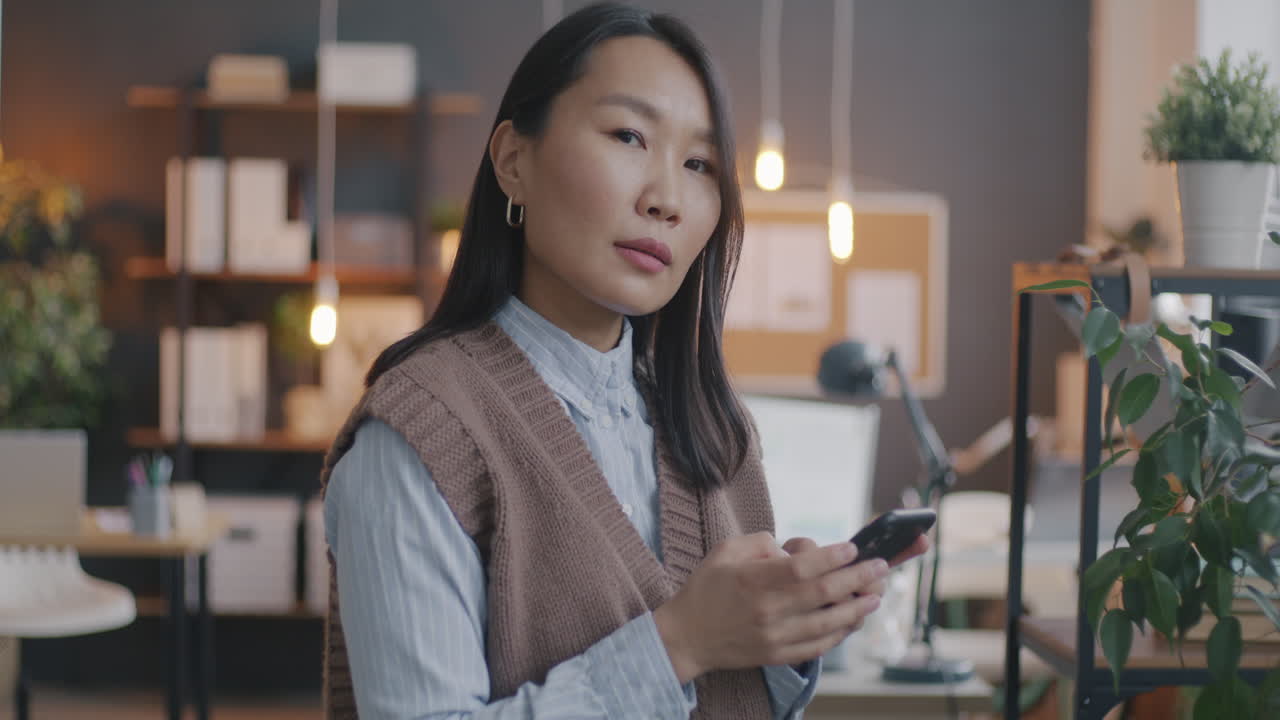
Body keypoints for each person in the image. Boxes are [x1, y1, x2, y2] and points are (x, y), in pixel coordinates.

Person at [321, 3, 928, 719]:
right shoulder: (422, 437)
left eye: (699, 164)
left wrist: (785, 632)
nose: (667, 198)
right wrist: (683, 641)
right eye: (629, 136)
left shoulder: (716, 431)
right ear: (514, 160)